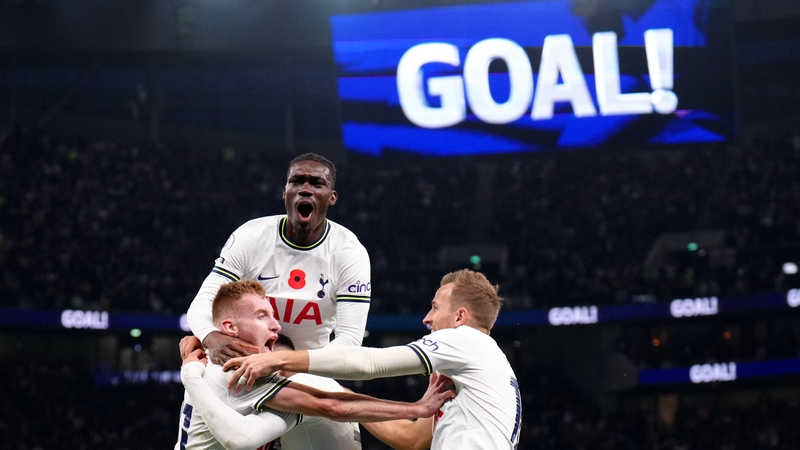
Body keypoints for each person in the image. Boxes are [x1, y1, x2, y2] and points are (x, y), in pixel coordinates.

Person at [223, 269, 522, 450]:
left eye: (434, 307)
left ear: (460, 317)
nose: (427, 318)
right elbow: (411, 440)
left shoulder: (465, 340)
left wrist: (278, 362)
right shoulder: (476, 366)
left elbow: (371, 364)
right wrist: (348, 397)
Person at [177, 280, 454, 450]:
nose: (276, 324)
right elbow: (331, 405)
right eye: (262, 316)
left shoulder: (209, 363)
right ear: (230, 328)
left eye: (273, 316)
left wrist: (191, 373)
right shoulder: (236, 373)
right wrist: (417, 408)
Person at [186, 153, 371, 363]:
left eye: (317, 183)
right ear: (285, 192)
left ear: (332, 197)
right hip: (243, 363)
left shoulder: (349, 252)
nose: (305, 189)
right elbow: (203, 301)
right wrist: (210, 336)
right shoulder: (252, 236)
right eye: (297, 181)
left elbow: (350, 339)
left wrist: (286, 364)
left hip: (311, 369)